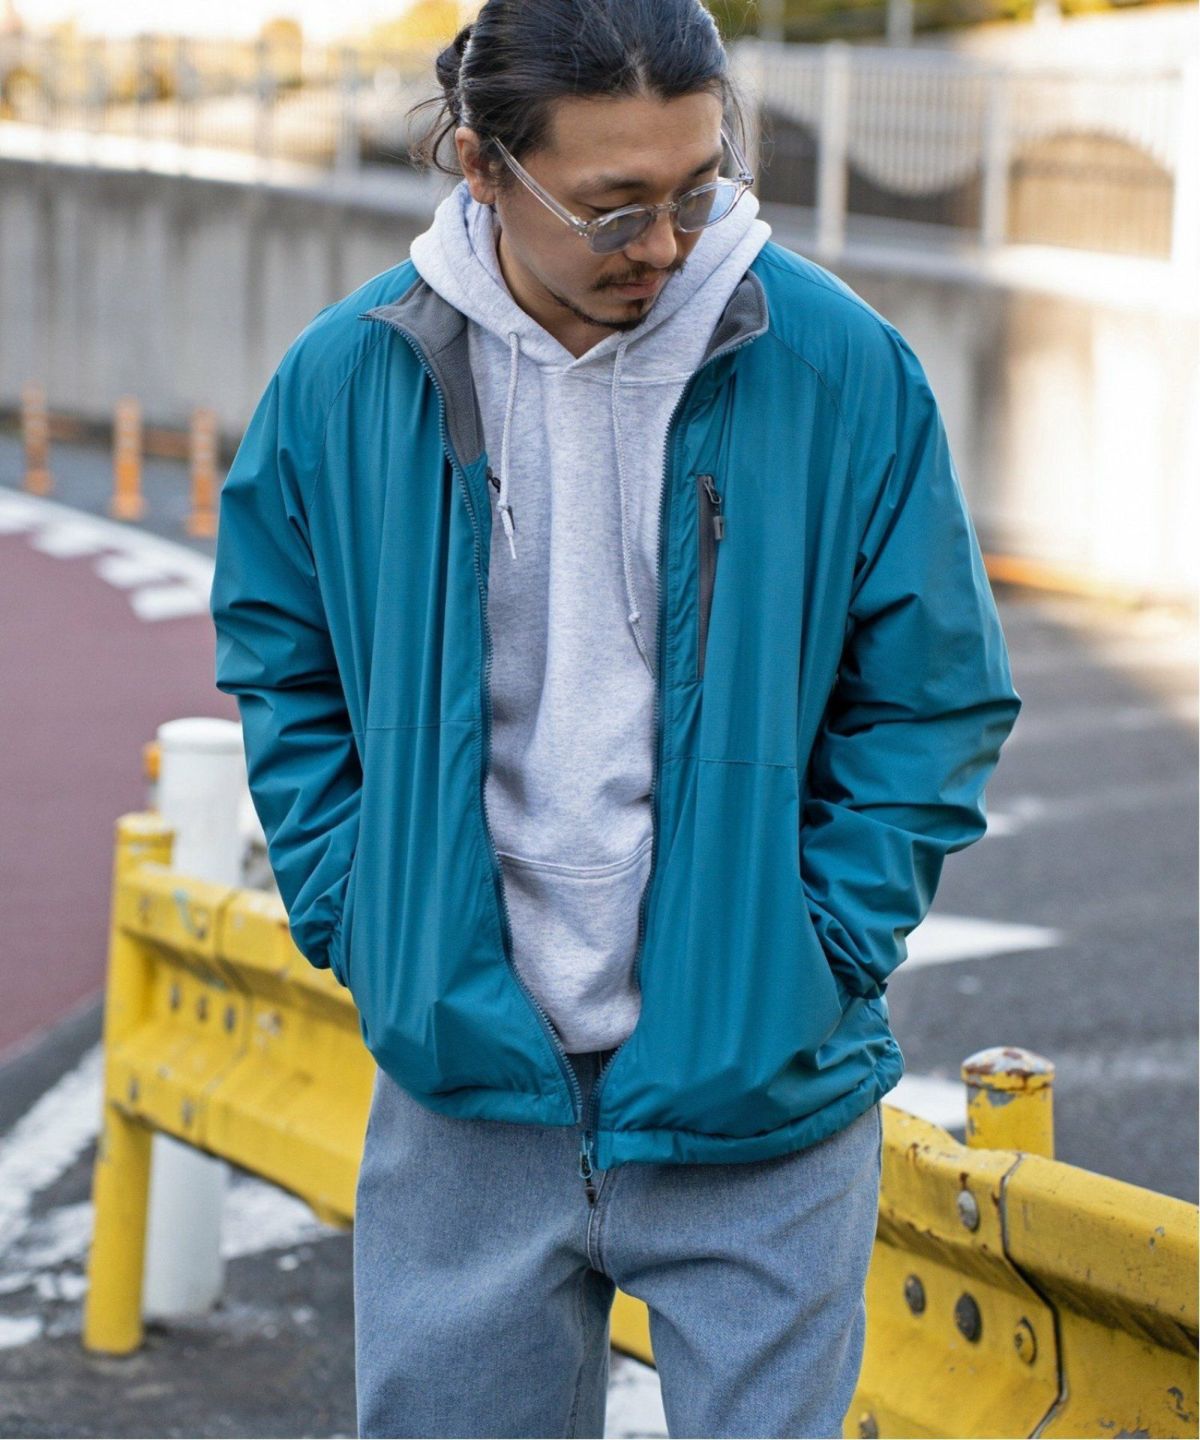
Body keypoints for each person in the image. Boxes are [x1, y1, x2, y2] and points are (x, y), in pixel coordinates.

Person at [208, 1, 1022, 1435]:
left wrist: (819, 951)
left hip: (759, 1086)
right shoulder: (349, 378)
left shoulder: (838, 366)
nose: (666, 243)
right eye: (615, 206)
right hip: (466, 1090)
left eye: (699, 187)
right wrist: (364, 912)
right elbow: (284, 659)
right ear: (481, 164)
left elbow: (932, 692)